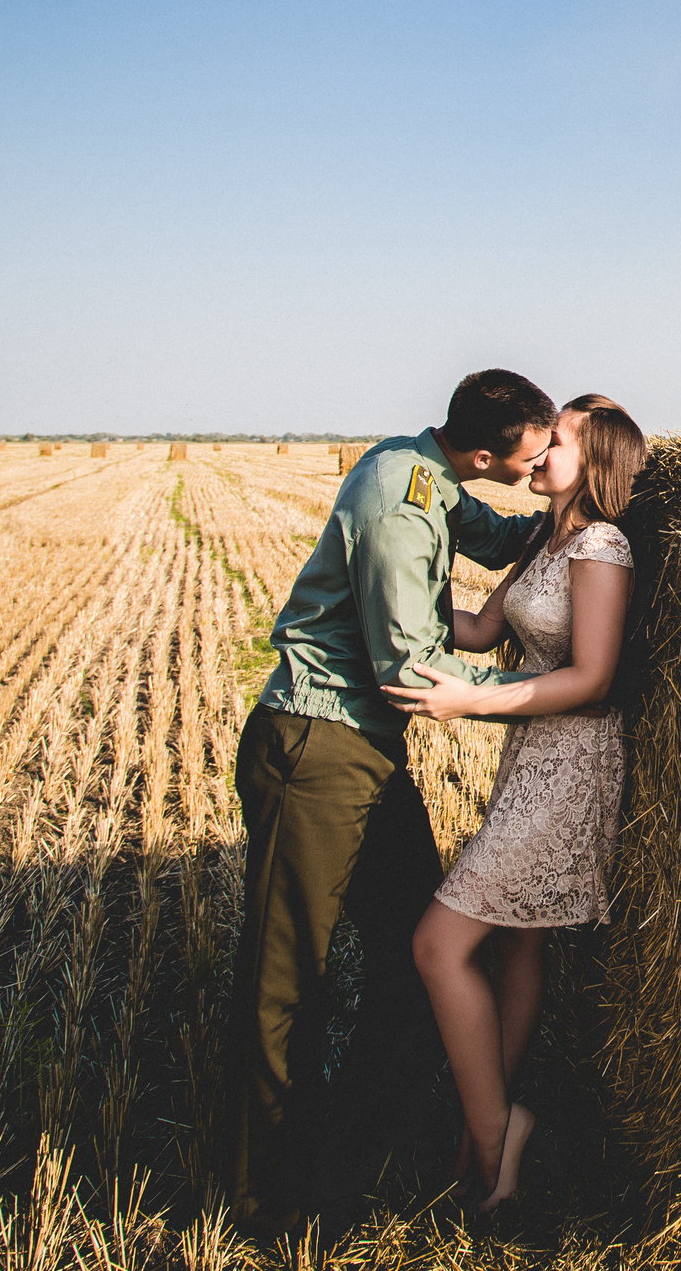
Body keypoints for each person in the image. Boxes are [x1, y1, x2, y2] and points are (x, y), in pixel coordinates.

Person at [228, 369, 558, 1238]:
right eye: (531, 459)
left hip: (361, 750)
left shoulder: (434, 473)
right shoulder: (401, 502)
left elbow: (497, 538)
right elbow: (410, 672)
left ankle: (341, 1152)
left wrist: (596, 511)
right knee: (288, 980)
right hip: (317, 744)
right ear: (484, 451)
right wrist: (553, 690)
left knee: (416, 956)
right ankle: (269, 1197)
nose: (537, 468)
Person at [384, 394, 647, 1210]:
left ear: (593, 458)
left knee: (439, 942)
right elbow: (476, 628)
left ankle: (499, 1128)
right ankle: (482, 1131)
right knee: (517, 944)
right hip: (529, 753)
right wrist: (389, 587)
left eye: (556, 440)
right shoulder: (545, 536)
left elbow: (592, 675)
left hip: (570, 764)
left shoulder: (602, 546)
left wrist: (472, 703)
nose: (537, 453)